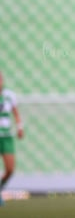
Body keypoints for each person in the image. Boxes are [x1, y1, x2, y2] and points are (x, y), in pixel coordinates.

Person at [0, 71, 24, 206]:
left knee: (10, 169)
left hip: (6, 137)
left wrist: (19, 127)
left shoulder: (9, 96)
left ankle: (0, 188)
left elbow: (16, 113)